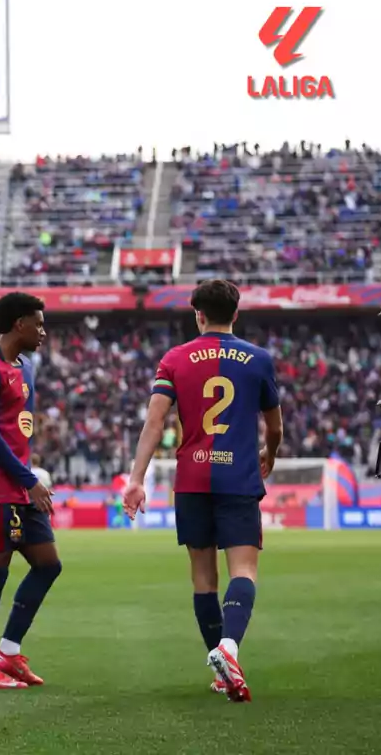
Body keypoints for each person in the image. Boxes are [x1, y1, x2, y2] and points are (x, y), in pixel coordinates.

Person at [123, 280, 283, 703]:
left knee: (202, 578)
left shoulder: (175, 359)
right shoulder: (258, 359)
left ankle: (221, 670)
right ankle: (228, 649)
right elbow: (275, 426)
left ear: (197, 314)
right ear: (236, 313)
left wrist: (137, 478)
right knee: (244, 572)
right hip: (239, 479)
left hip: (192, 480)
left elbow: (154, 423)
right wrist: (271, 452)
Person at [0, 293, 61, 690]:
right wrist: (28, 479)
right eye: (37, 323)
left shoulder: (27, 366)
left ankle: (8, 649)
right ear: (18, 324)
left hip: (20, 486)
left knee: (48, 564)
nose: (42, 331)